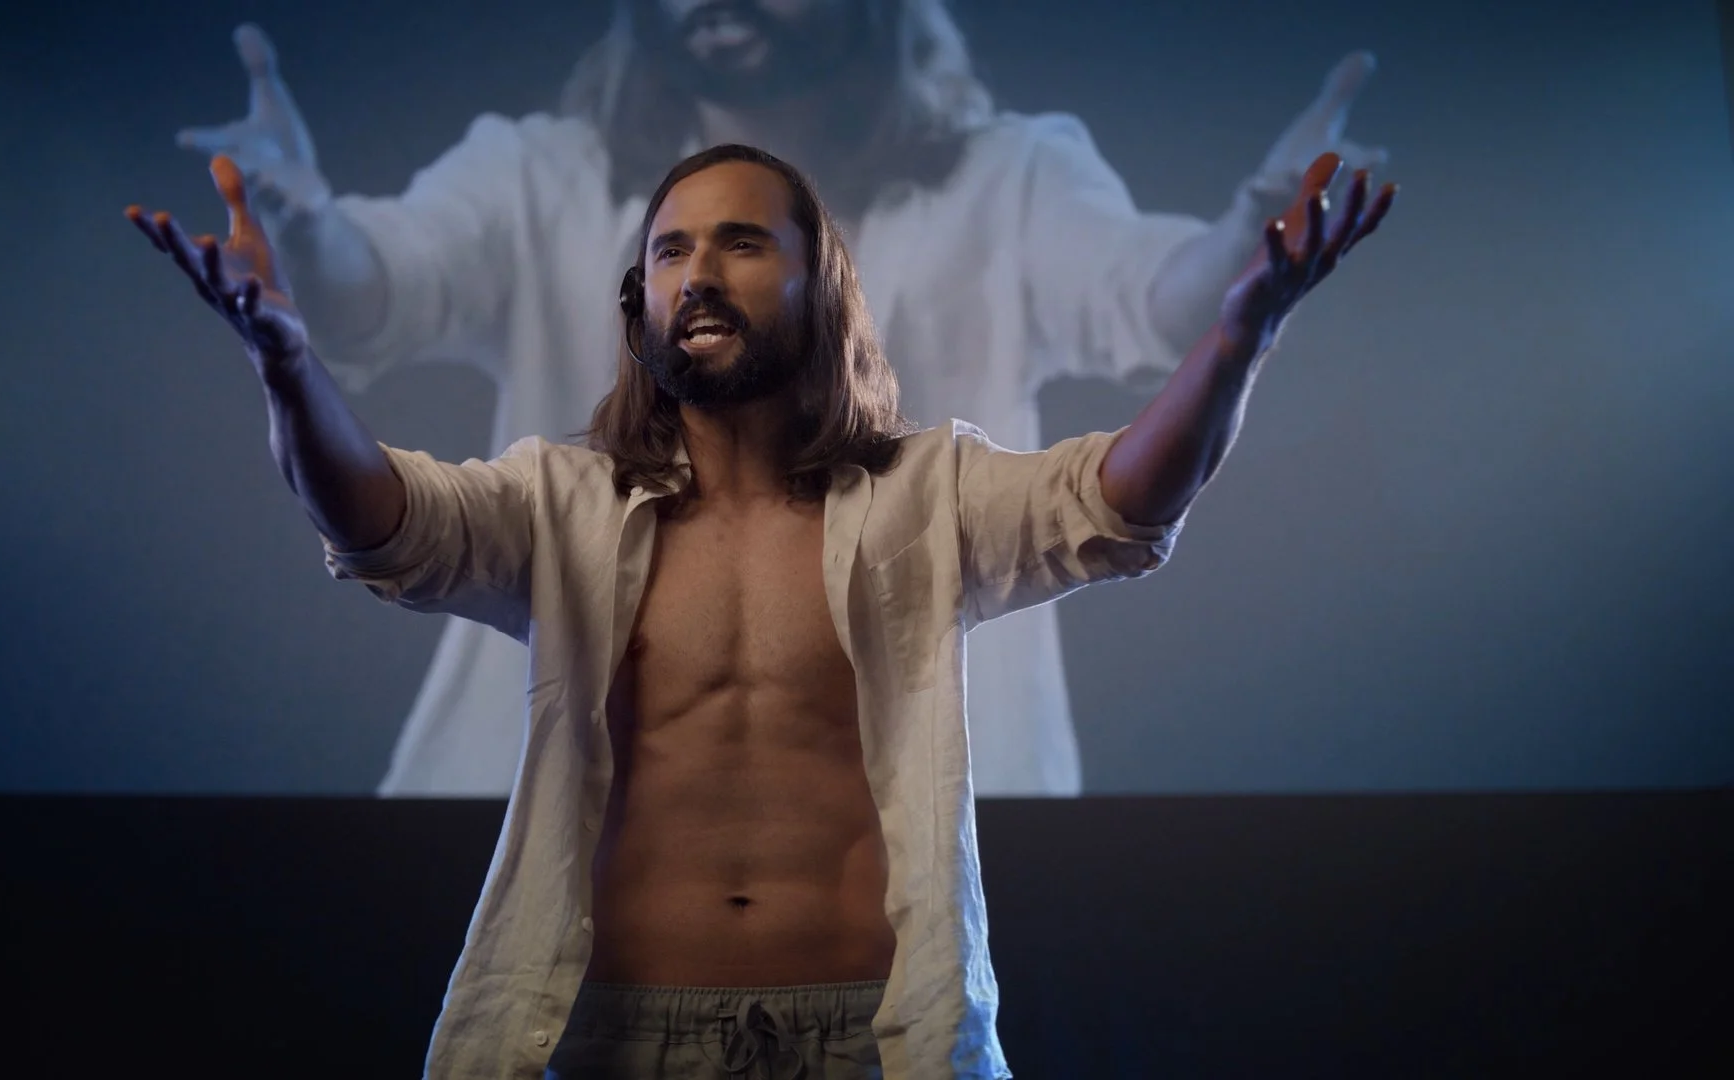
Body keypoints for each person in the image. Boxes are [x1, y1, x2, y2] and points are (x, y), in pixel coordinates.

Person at [125, 140, 1393, 1076]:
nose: (697, 273)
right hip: (613, 1036)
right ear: (640, 299)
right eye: (669, 250)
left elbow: (1115, 502)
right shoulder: (559, 503)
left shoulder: (926, 496)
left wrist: (1238, 341)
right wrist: (286, 364)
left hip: (873, 1036)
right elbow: (381, 521)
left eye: (740, 242)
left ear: (819, 285)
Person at [173, 0, 1390, 797]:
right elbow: (373, 305)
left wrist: (1251, 269)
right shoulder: (541, 188)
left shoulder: (1004, 192)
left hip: (942, 843)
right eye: (671, 252)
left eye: (748, 243)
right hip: (515, 811)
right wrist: (297, 246)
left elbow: (1157, 322)